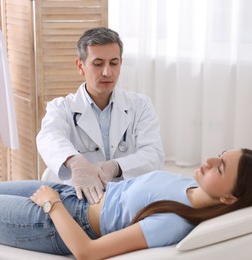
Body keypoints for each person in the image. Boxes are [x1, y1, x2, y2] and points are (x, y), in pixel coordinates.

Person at [0, 148, 252, 259]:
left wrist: (53, 203)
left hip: (52, 221)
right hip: (70, 193)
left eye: (219, 167)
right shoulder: (189, 183)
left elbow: (87, 252)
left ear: (229, 198)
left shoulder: (174, 222)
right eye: (219, 156)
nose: (208, 160)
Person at [36, 27, 165, 204]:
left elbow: (154, 155)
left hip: (127, 199)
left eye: (114, 63)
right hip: (76, 200)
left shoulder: (140, 105)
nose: (107, 72)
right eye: (98, 64)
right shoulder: (61, 108)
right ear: (80, 66)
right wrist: (75, 162)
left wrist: (114, 167)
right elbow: (48, 137)